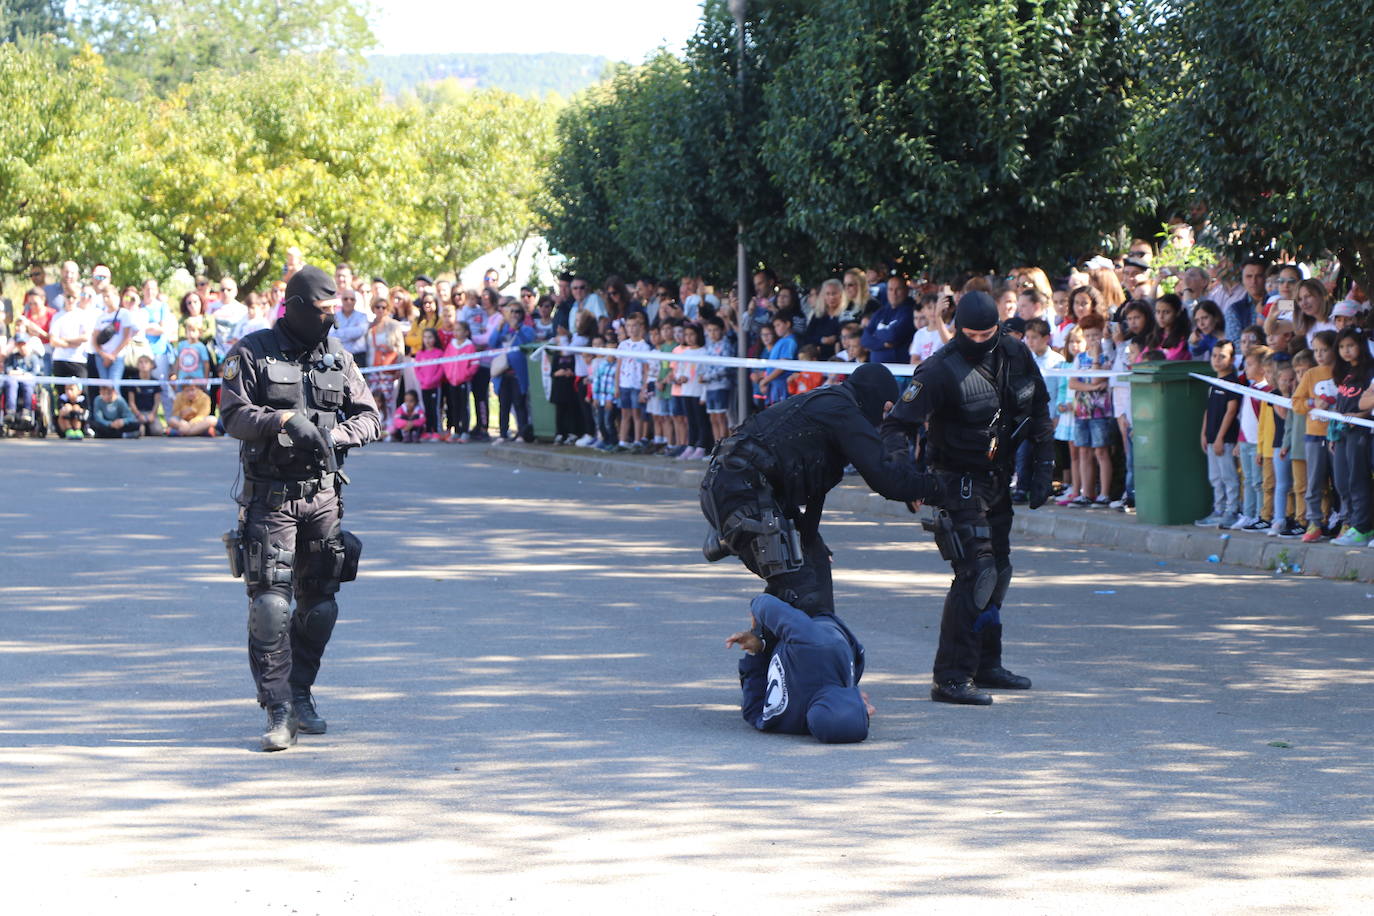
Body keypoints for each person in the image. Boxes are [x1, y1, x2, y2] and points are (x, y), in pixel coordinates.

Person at [219, 265, 382, 752]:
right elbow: (232, 413)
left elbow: (371, 417)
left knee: (320, 606)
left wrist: (334, 434)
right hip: (270, 498)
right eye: (321, 312)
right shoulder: (251, 351)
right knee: (270, 605)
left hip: (324, 496)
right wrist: (284, 420)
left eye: (335, 312)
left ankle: (301, 692)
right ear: (293, 308)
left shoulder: (338, 358)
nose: (329, 321)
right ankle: (278, 709)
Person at [881, 290, 1054, 706]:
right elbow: (897, 427)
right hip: (954, 479)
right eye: (970, 334)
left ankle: (985, 664)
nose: (979, 341)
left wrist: (1044, 468)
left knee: (999, 571)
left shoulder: (1014, 352)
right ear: (957, 329)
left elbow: (1040, 410)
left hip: (998, 477)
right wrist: (907, 480)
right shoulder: (939, 369)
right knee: (976, 572)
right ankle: (951, 676)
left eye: (987, 334)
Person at [701, 362, 941, 620]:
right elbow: (887, 480)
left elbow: (816, 484)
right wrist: (937, 486)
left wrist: (809, 538)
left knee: (813, 571)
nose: (883, 419)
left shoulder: (834, 402)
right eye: (885, 410)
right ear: (874, 397)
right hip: (740, 493)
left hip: (755, 491)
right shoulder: (842, 411)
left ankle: (785, 650)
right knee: (803, 594)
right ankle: (768, 653)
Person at [725, 594, 873, 744]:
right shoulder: (817, 646)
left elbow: (765, 604)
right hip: (813, 614)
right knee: (797, 587)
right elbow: (766, 605)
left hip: (794, 645)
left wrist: (757, 650)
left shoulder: (788, 722)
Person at [1291, 331, 1338, 541]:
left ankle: (1344, 521)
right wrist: (1313, 403)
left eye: (1324, 350)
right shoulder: (1310, 374)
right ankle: (1314, 522)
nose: (1319, 354)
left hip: (1338, 436)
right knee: (1314, 482)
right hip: (1315, 435)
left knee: (1340, 482)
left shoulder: (1342, 371)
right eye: (1316, 350)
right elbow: (1296, 403)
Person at [1195, 340, 1243, 528]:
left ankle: (1232, 510)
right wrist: (1204, 434)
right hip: (1212, 438)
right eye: (1214, 356)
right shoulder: (1214, 382)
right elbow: (1209, 410)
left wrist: (1221, 437)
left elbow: (1231, 411)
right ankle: (1218, 509)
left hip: (1225, 440)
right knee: (1215, 477)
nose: (1217, 360)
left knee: (1228, 477)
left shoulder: (1232, 383)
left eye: (1222, 356)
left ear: (1231, 359)